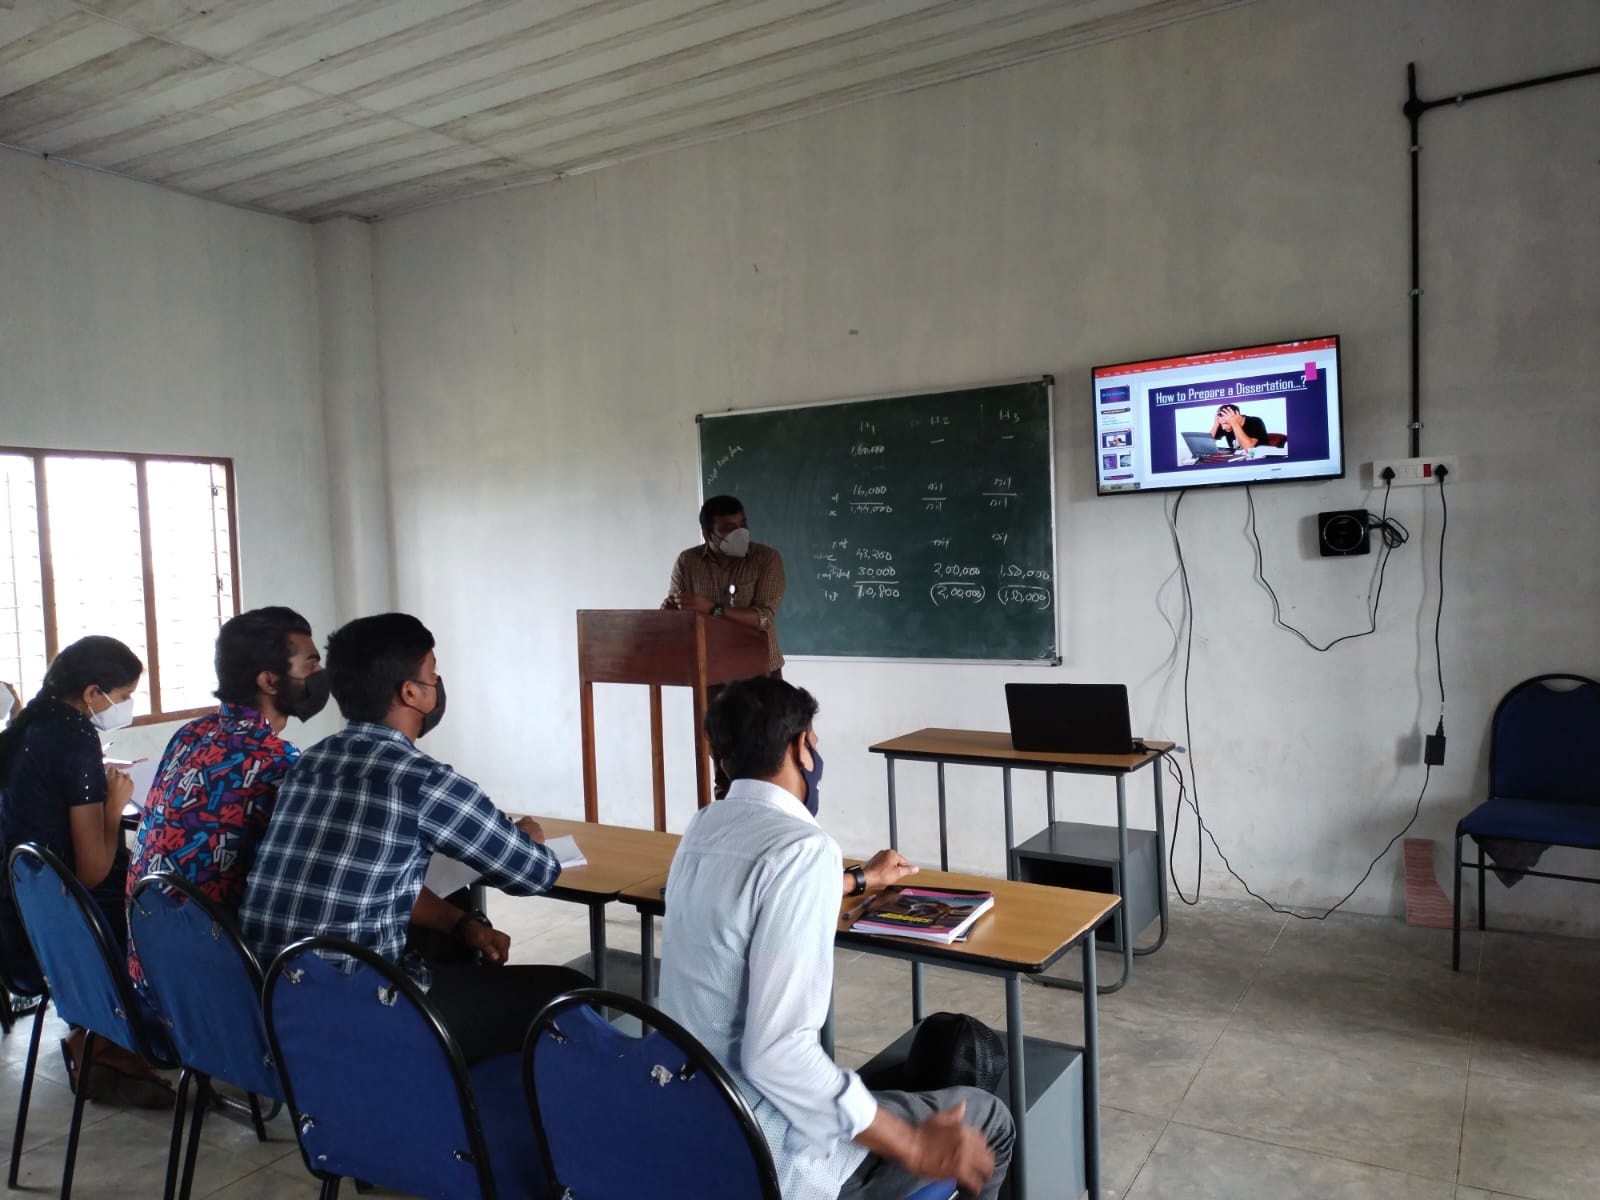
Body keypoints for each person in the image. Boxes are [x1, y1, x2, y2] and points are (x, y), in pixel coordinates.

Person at [657, 676, 1014, 1200]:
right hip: (764, 1152)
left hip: (684, 1113)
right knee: (990, 1119)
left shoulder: (705, 825)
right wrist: (912, 1145)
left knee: (864, 1090)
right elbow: (776, 1054)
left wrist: (859, 880)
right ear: (801, 746)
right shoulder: (804, 848)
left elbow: (757, 890)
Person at [239, 612, 588, 1063]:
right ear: (411, 693)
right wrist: (526, 839)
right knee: (571, 993)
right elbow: (535, 875)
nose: (437, 684)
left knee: (450, 938)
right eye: (433, 673)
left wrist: (462, 923)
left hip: (271, 1004)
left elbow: (359, 883)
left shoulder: (308, 763)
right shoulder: (425, 781)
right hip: (361, 1014)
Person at [0, 636, 172, 1104]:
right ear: (93, 693)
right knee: (159, 911)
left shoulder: (30, 725)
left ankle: (100, 1038)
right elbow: (92, 872)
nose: (126, 705)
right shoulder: (73, 736)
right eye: (123, 695)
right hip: (69, 917)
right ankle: (112, 1038)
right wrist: (113, 807)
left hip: (25, 913)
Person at [125, 606, 328, 995]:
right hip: (212, 987)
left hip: (149, 967)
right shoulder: (278, 761)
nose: (320, 675)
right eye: (311, 664)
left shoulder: (191, 733)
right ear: (269, 680)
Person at [663, 494, 787, 795]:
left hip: (760, 674)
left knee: (767, 760)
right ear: (709, 534)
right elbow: (679, 616)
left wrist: (713, 609)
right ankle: (727, 815)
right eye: (729, 529)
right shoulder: (688, 561)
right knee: (724, 760)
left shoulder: (766, 559)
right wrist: (671, 610)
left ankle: (767, 817)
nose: (740, 533)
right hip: (712, 673)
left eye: (743, 524)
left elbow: (764, 618)